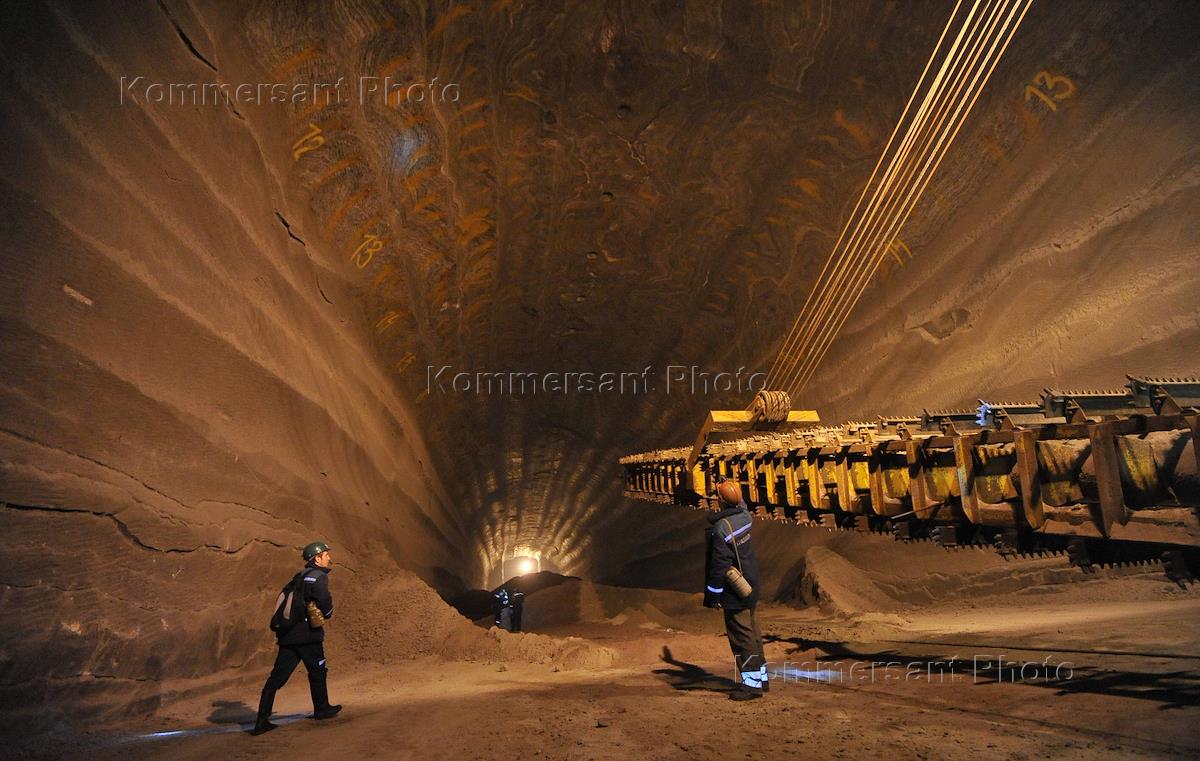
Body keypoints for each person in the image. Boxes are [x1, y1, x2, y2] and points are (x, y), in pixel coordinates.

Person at [252, 541, 342, 735]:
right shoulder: (318, 577)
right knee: (318, 671)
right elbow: (325, 602)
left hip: (289, 636)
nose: (329, 557)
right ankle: (322, 709)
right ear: (317, 558)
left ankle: (261, 720)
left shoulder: (299, 576)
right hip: (308, 636)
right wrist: (327, 613)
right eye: (326, 554)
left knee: (276, 678)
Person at [703, 480, 769, 700]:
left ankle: (751, 686)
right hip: (751, 584)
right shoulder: (745, 517)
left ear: (720, 501)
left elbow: (719, 565)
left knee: (742, 638)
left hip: (736, 592)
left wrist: (713, 595)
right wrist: (726, 483)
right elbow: (741, 503)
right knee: (753, 633)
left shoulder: (722, 528)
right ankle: (762, 678)